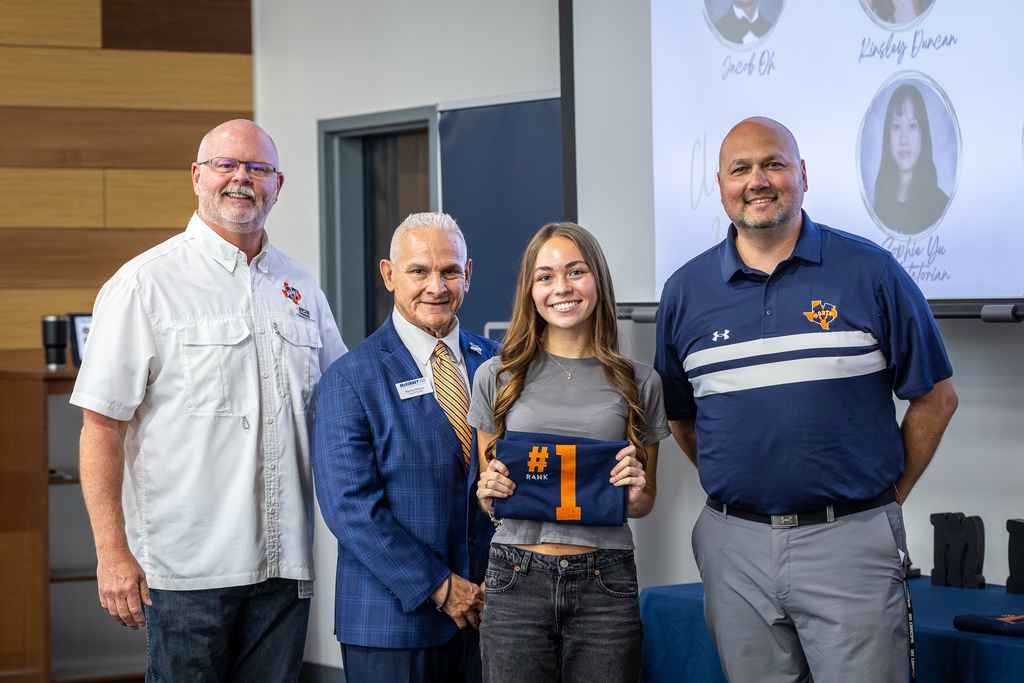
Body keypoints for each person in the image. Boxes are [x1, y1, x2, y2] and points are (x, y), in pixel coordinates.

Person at [655, 117, 958, 683]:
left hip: (850, 542)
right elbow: (682, 416)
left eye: (773, 163)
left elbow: (936, 399)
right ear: (720, 184)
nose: (758, 180)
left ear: (803, 175)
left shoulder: (870, 272)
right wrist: (748, 482)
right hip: (733, 548)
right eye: (740, 169)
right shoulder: (684, 292)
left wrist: (887, 499)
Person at [72, 119, 347, 680]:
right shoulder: (144, 284)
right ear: (197, 177)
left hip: (284, 565)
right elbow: (101, 427)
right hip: (186, 573)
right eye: (226, 164)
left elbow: (346, 397)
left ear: (278, 184)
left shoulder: (300, 288)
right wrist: (112, 554)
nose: (241, 178)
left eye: (258, 168)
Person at [471, 222, 670, 683]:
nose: (561, 288)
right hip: (514, 575)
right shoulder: (495, 377)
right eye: (545, 276)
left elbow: (642, 503)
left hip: (606, 578)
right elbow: (491, 500)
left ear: (597, 279)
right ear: (531, 290)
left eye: (575, 272)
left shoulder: (641, 382)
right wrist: (487, 489)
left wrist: (635, 488)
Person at [311, 213, 500, 683]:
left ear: (468, 275)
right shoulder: (350, 377)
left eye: (449, 271)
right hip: (393, 624)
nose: (436, 286)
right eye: (419, 271)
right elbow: (349, 508)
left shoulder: (499, 366)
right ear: (389, 275)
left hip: (492, 617)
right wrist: (441, 587)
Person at [873, 83, 950, 234]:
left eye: (912, 126)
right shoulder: (879, 207)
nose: (904, 139)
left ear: (924, 133)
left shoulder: (941, 205)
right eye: (896, 126)